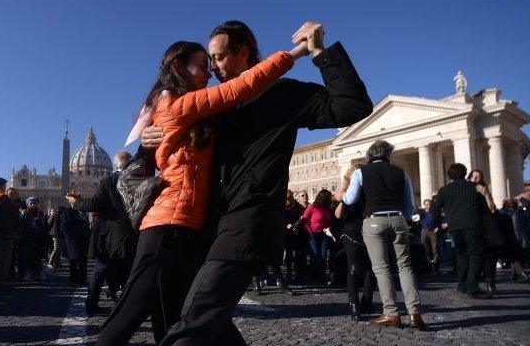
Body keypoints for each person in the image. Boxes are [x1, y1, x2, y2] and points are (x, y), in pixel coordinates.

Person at [142, 20, 372, 345]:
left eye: (220, 58)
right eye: (209, 62)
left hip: (247, 222)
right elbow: (177, 133)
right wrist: (153, 135)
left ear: (243, 53)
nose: (214, 69)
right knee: (213, 325)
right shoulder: (212, 105)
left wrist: (322, 52)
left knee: (194, 321)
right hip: (204, 227)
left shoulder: (284, 94)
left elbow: (352, 107)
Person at [97, 32, 307, 345]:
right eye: (200, 66)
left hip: (187, 226)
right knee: (133, 306)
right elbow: (239, 87)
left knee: (176, 312)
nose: (208, 72)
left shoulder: (192, 112)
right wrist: (296, 53)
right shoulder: (177, 104)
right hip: (168, 223)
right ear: (179, 69)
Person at [339, 140, 425, 329]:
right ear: (388, 155)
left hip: (374, 220)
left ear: (369, 156)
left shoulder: (361, 172)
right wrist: (406, 218)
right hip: (398, 219)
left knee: (381, 268)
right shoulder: (401, 173)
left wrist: (342, 196)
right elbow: (410, 206)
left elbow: (351, 198)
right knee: (405, 266)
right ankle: (414, 314)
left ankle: (391, 313)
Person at [68, 150, 138, 313]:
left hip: (110, 236)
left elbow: (93, 205)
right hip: (132, 234)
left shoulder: (108, 182)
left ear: (115, 165)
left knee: (100, 271)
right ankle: (123, 303)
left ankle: (92, 302)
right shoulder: (136, 181)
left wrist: (75, 202)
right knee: (127, 270)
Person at [432, 164, 491, 299]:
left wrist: (440, 224)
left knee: (461, 255)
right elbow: (485, 210)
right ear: (465, 173)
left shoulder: (444, 190)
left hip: (454, 227)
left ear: (449, 175)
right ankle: (473, 288)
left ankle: (463, 284)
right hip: (473, 225)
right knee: (475, 255)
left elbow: (435, 210)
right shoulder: (474, 188)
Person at [334, 164, 376, 321]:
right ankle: (355, 305)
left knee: (370, 268)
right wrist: (342, 199)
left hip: (366, 230)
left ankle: (366, 301)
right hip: (353, 231)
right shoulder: (348, 192)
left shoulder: (368, 190)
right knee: (354, 267)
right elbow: (338, 215)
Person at [302, 189, 334, 284]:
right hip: (313, 234)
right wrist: (309, 231)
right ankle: (313, 277)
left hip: (324, 233)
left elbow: (329, 221)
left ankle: (321, 277)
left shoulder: (326, 209)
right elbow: (304, 220)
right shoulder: (312, 207)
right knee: (315, 256)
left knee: (323, 256)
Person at [60, 192, 90, 286]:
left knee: (83, 262)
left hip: (83, 240)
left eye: (78, 200)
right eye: (75, 200)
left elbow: (86, 224)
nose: (77, 202)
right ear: (71, 202)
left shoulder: (83, 212)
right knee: (73, 262)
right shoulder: (67, 212)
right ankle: (74, 280)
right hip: (73, 241)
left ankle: (82, 279)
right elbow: (64, 227)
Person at [18, 197, 49, 281]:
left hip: (38, 239)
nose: (32, 205)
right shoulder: (24, 214)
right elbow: (21, 226)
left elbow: (44, 226)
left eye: (34, 203)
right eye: (31, 203)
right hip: (27, 239)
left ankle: (39, 271)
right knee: (28, 257)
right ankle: (28, 272)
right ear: (28, 204)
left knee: (38, 257)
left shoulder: (40, 214)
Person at [284, 190, 306, 284]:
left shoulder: (296, 205)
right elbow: (280, 218)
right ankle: (289, 274)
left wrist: (295, 223)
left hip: (297, 233)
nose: (289, 199)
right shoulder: (282, 206)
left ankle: (298, 275)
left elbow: (300, 216)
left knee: (297, 255)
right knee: (289, 256)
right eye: (287, 198)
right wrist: (286, 224)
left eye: (290, 197)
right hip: (287, 234)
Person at [418, 199, 441, 273]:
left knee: (435, 250)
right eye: (426, 204)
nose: (428, 206)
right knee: (426, 250)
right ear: (424, 205)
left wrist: (438, 227)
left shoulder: (435, 213)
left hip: (433, 232)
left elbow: (440, 220)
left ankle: (436, 267)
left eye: (429, 204)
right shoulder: (421, 212)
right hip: (424, 231)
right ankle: (428, 267)